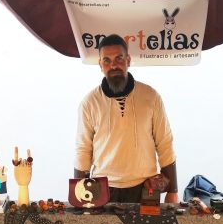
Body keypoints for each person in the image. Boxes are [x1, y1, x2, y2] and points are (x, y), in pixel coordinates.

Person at [74, 34, 178, 203]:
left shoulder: (151, 97)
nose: (113, 65)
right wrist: (78, 195)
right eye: (106, 60)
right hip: (103, 189)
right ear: (100, 65)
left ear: (128, 60)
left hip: (146, 188)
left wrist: (172, 191)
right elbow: (83, 149)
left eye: (119, 58)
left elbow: (165, 142)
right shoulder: (89, 103)